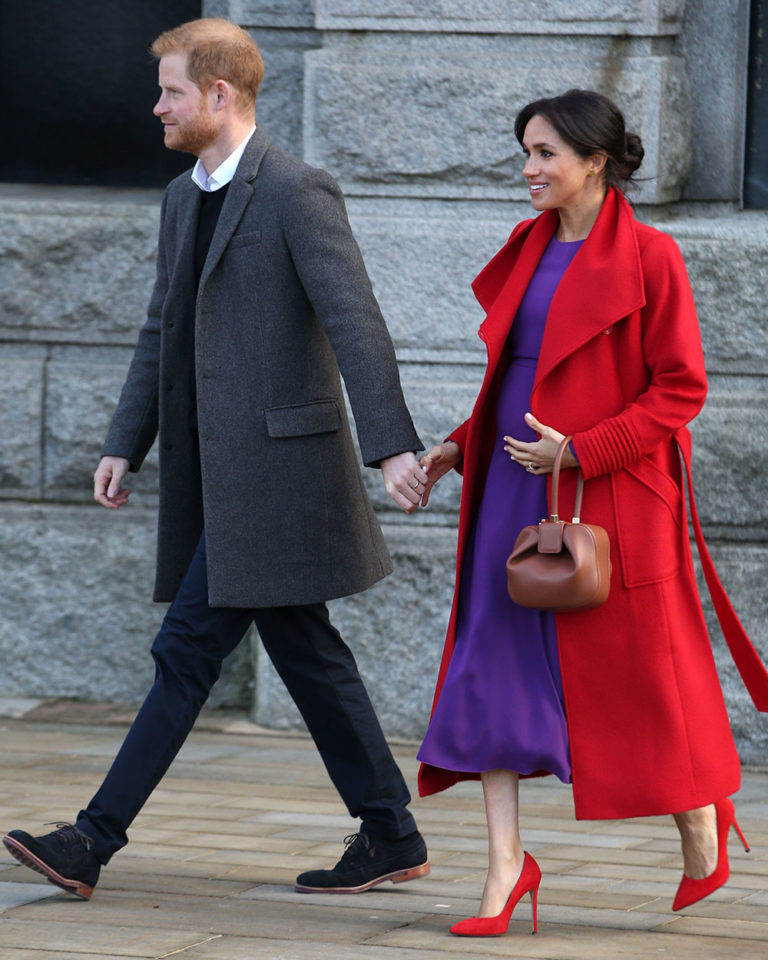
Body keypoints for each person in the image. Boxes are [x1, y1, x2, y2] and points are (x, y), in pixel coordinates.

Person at [3, 17, 432, 901]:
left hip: (279, 479)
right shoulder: (179, 197)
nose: (156, 106)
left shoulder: (297, 192)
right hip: (216, 480)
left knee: (186, 650)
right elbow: (162, 327)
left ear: (220, 95)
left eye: (170, 91)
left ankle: (91, 840)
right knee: (308, 654)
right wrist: (126, 441)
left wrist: (392, 446)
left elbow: (356, 321)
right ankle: (391, 830)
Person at [414, 88, 768, 937]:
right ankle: (504, 870)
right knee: (488, 667)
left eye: (544, 154)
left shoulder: (651, 257)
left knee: (645, 676)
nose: (529, 170)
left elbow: (680, 388)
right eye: (525, 153)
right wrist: (459, 443)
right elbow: (519, 378)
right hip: (509, 486)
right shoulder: (526, 247)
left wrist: (583, 451)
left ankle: (698, 818)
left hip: (611, 497)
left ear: (595, 162)